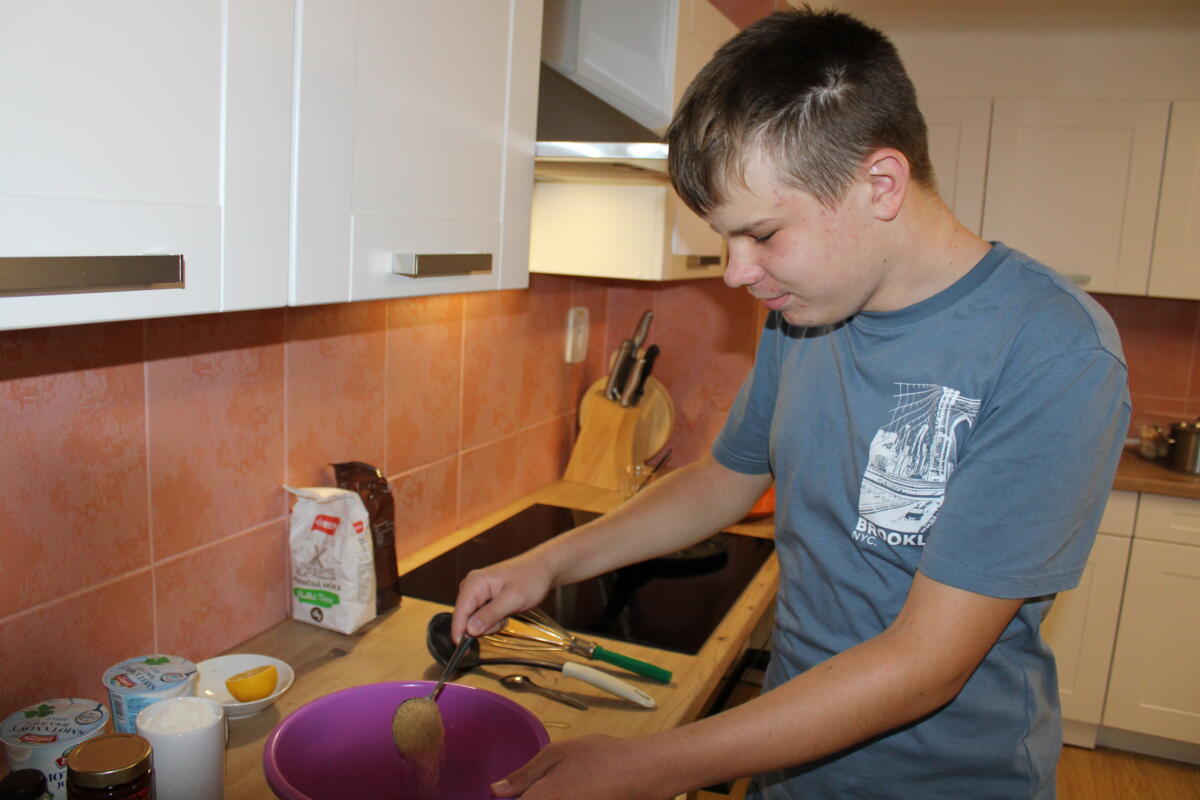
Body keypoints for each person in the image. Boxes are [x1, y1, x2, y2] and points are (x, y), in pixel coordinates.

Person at [451, 7, 1130, 799]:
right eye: (725, 237)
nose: (736, 272)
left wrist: (645, 763)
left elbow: (926, 663)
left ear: (880, 184)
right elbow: (722, 481)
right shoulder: (807, 308)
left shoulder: (1052, 350)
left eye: (763, 234)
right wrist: (546, 563)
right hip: (787, 763)